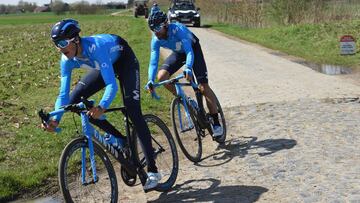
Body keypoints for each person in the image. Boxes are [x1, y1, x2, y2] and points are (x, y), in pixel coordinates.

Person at [41, 19, 161, 190]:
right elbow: (63, 95)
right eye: (56, 44)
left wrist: (102, 106)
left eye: (62, 42)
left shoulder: (95, 48)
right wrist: (55, 118)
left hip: (124, 60)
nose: (60, 48)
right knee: (75, 101)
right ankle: (121, 139)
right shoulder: (66, 59)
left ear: (75, 39)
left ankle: (153, 170)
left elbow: (111, 85)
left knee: (133, 110)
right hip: (104, 65)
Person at [145, 11, 223, 137]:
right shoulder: (156, 39)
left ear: (165, 24)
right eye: (152, 29)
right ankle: (184, 100)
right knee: (161, 77)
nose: (156, 32)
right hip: (178, 53)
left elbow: (189, 51)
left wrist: (188, 67)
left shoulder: (178, 29)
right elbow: (153, 62)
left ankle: (216, 123)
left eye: (158, 28)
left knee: (203, 87)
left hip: (192, 50)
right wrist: (150, 79)